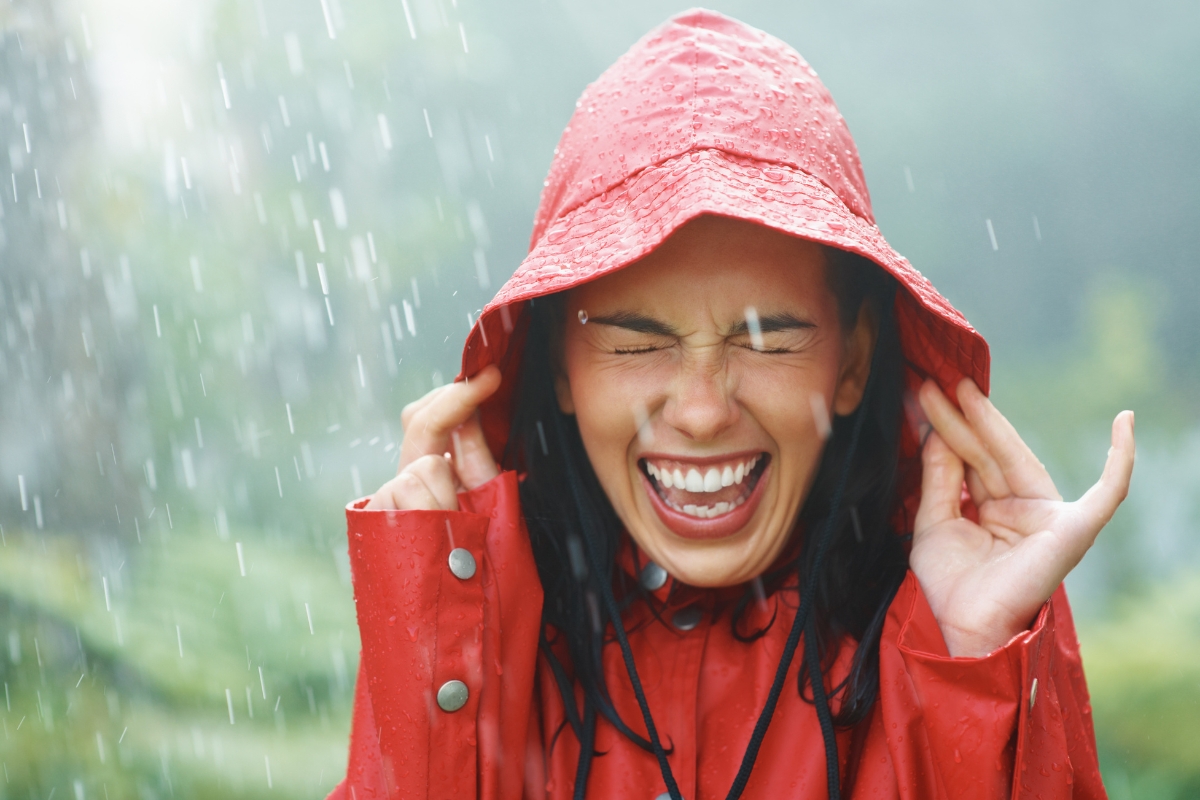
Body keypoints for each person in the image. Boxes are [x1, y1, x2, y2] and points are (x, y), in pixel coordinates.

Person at [327, 10, 1134, 799]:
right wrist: (436, 644)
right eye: (638, 343)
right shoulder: (474, 631)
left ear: (851, 363)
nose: (703, 409)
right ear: (559, 370)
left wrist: (971, 665)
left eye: (768, 340)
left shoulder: (962, 628)